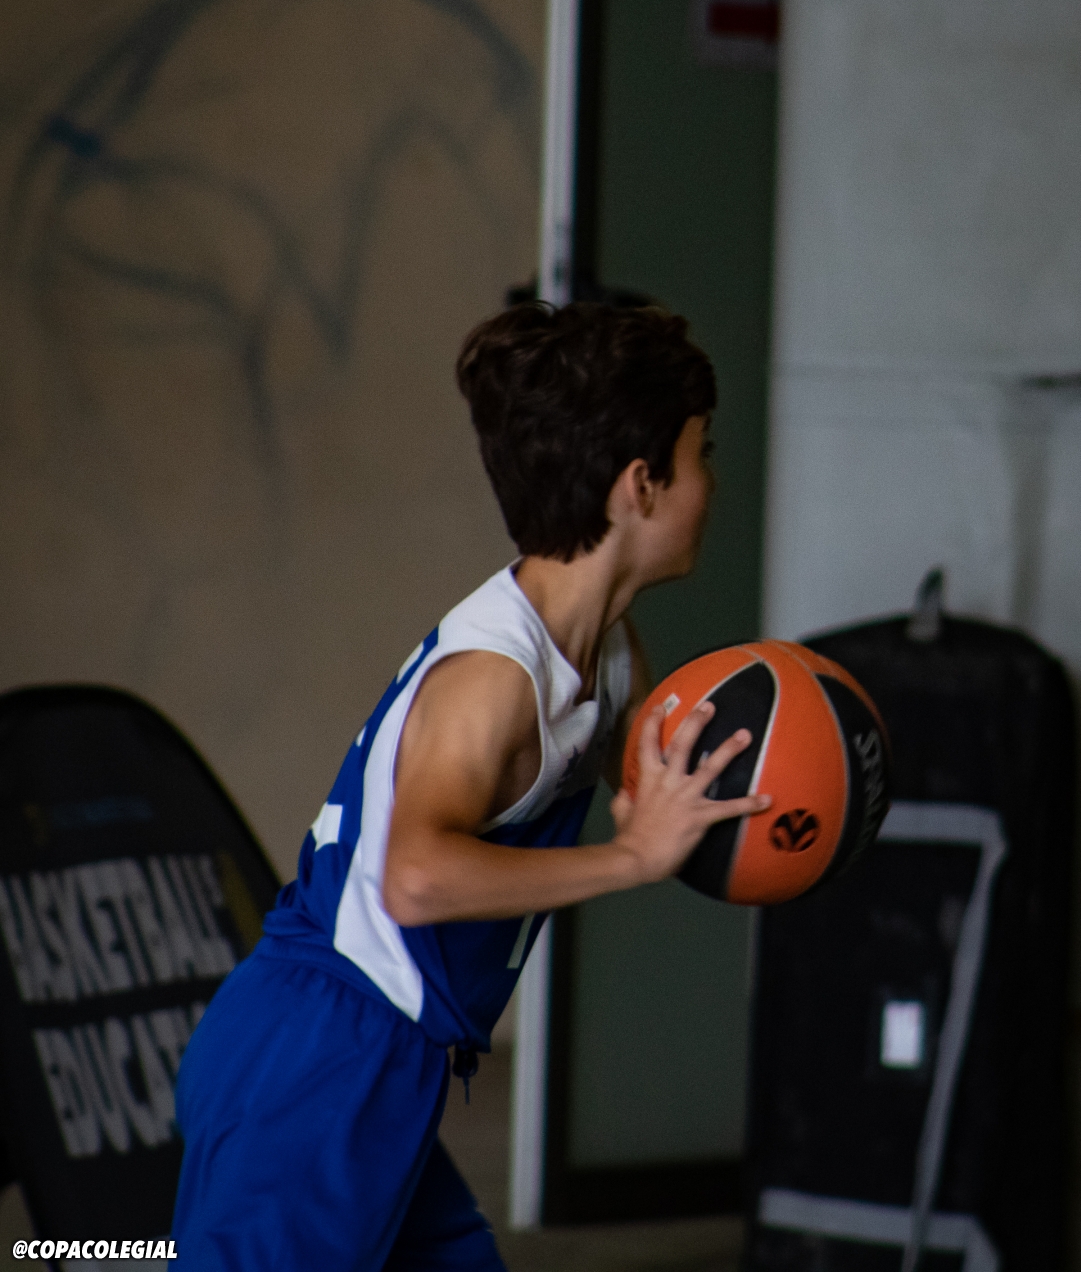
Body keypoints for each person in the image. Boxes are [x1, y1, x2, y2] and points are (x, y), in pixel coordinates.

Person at [171, 302, 772, 1271]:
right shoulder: (493, 680)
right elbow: (414, 876)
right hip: (317, 1053)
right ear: (641, 484)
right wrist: (629, 856)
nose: (713, 481)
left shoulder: (607, 647)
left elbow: (659, 777)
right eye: (701, 453)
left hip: (383, 1058)